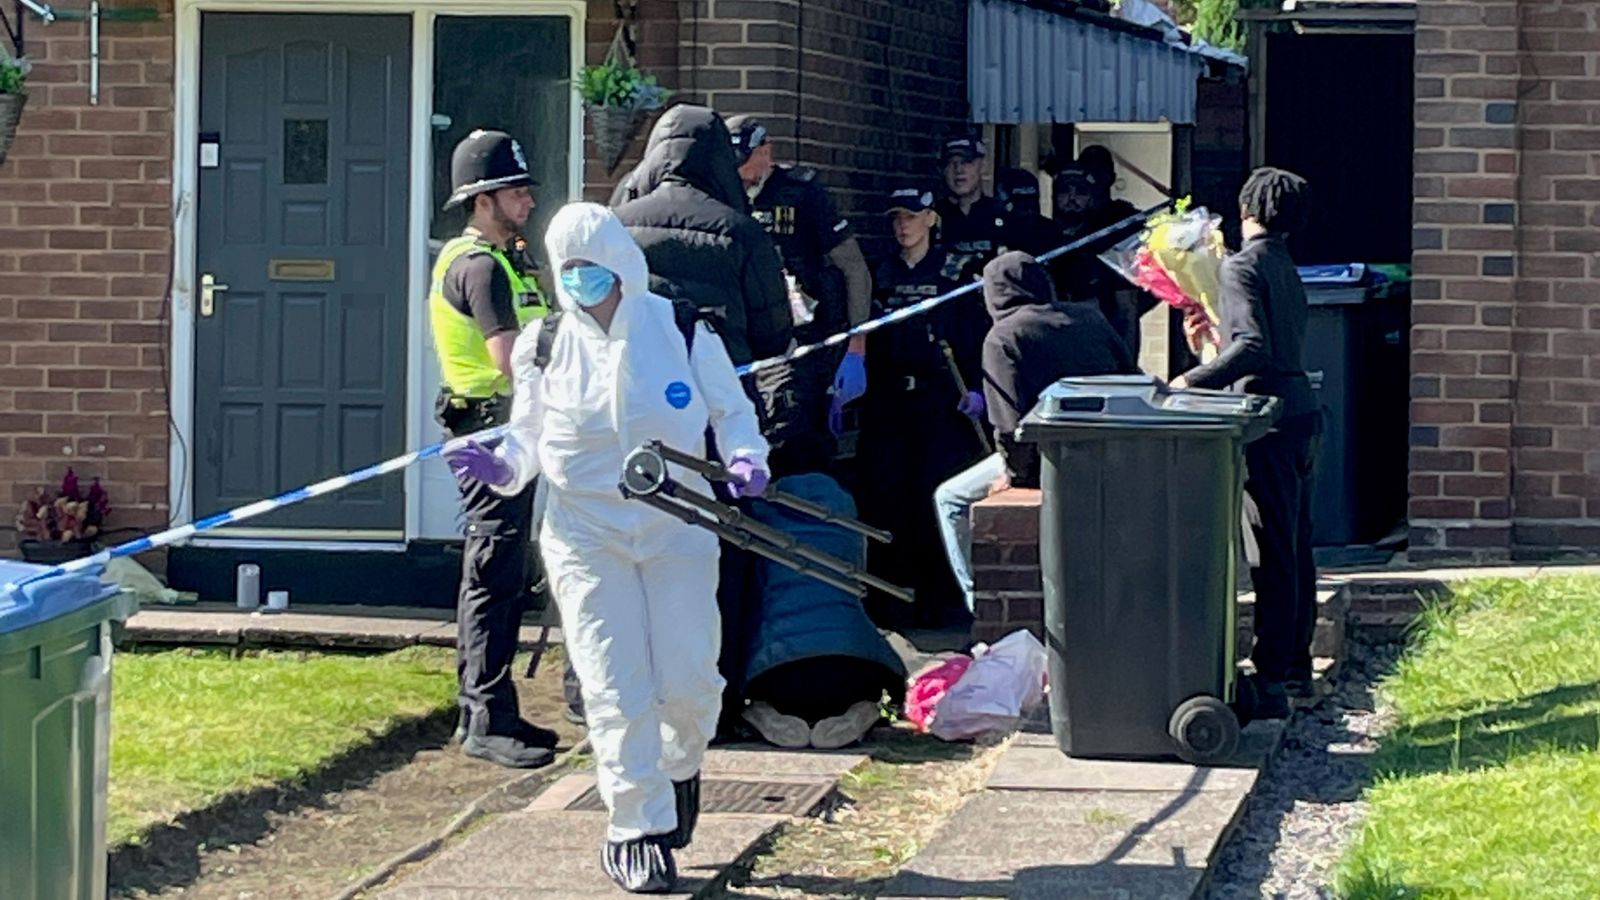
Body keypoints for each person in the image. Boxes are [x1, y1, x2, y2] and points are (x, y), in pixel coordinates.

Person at [444, 202, 771, 893]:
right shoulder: (542, 344)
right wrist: (500, 467)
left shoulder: (680, 328)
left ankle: (680, 769)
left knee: (688, 682)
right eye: (572, 272)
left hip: (678, 525)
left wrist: (746, 458)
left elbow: (731, 410)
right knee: (615, 686)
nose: (585, 282)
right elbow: (527, 441)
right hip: (585, 536)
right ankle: (635, 827)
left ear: (623, 263)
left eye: (596, 269)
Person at [428, 129, 558, 770]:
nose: (529, 199)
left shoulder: (511, 260)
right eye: (516, 190)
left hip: (515, 431)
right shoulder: (478, 267)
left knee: (507, 573)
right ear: (483, 199)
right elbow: (508, 359)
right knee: (492, 569)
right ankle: (481, 716)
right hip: (488, 434)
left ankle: (498, 709)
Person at [1172, 167, 1320, 720]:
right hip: (1303, 411)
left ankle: (1274, 673)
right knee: (1295, 546)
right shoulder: (1284, 266)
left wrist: (1190, 380)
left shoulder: (1239, 266)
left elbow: (1254, 347)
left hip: (1268, 420)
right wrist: (1211, 345)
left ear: (1245, 210)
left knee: (1269, 551)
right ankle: (1297, 664)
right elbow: (1266, 341)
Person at [933, 251, 1137, 612]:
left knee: (950, 498)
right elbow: (1131, 380)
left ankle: (979, 605)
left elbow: (1009, 426)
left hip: (1049, 457)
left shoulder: (1003, 336)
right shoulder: (1090, 317)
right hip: (1111, 451)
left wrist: (1016, 480)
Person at [856, 186, 991, 628]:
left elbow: (976, 334)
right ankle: (889, 603)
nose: (903, 226)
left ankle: (941, 604)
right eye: (897, 218)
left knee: (936, 497)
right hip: (890, 401)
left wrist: (977, 388)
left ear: (931, 219)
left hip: (940, 403)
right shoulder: (880, 272)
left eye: (912, 217)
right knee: (885, 498)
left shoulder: (957, 272)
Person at [727, 114, 875, 467]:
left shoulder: (803, 191)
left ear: (766, 151)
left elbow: (853, 267)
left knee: (797, 438)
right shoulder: (725, 193)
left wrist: (856, 347)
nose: (743, 173)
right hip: (744, 339)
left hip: (804, 340)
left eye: (748, 161)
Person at [612, 104, 792, 369]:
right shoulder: (742, 232)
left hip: (640, 381)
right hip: (722, 382)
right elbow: (773, 332)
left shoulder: (615, 225)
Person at [935, 135, 1015, 279]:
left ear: (983, 166)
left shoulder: (1004, 215)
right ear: (942, 170)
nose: (958, 169)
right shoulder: (930, 217)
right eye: (951, 163)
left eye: (967, 162)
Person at [995, 166, 1057, 258]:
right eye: (1020, 201)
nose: (1028, 207)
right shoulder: (992, 231)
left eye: (1032, 199)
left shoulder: (1051, 231)